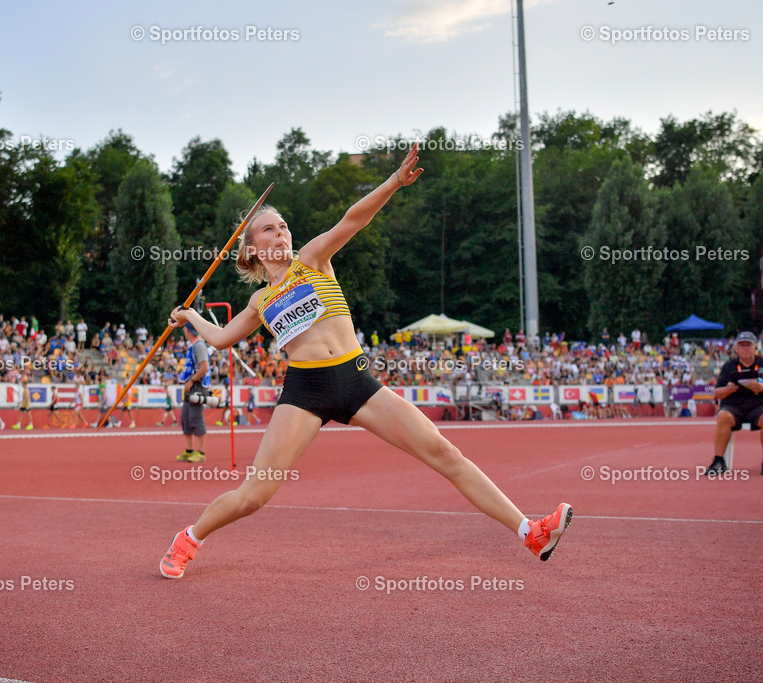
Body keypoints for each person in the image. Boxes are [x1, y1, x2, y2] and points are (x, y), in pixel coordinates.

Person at [159, 145, 572, 580]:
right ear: (251, 249)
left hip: (356, 381)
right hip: (305, 392)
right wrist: (190, 316)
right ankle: (188, 538)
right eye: (267, 230)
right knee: (255, 494)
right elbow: (222, 338)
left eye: (283, 226)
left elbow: (353, 219)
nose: (280, 233)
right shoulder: (259, 300)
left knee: (443, 450)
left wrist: (394, 182)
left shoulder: (312, 260)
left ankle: (530, 531)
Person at [704, 331, 763, 477]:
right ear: (736, 348)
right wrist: (729, 389)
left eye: (748, 345)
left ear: (756, 347)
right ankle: (718, 461)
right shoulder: (729, 366)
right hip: (734, 406)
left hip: (761, 405)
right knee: (723, 416)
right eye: (742, 345)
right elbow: (717, 393)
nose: (745, 348)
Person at [176, 322, 210, 463]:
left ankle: (201, 452)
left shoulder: (199, 345)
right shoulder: (194, 346)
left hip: (197, 385)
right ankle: (190, 450)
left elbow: (204, 367)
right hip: (192, 385)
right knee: (186, 417)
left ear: (187, 330)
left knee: (195, 417)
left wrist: (191, 380)